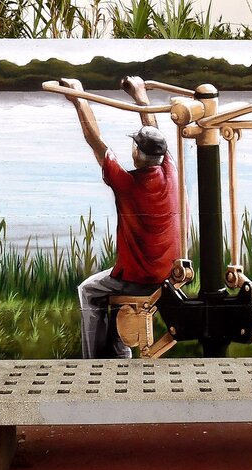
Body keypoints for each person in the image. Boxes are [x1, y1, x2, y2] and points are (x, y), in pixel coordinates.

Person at [60, 76, 181, 359]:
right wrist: (140, 95)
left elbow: (95, 141)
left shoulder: (126, 184)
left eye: (135, 146)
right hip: (169, 275)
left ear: (136, 153)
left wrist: (79, 98)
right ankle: (118, 356)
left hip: (140, 279)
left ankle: (94, 362)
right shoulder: (171, 173)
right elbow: (154, 129)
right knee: (114, 301)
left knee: (89, 290)